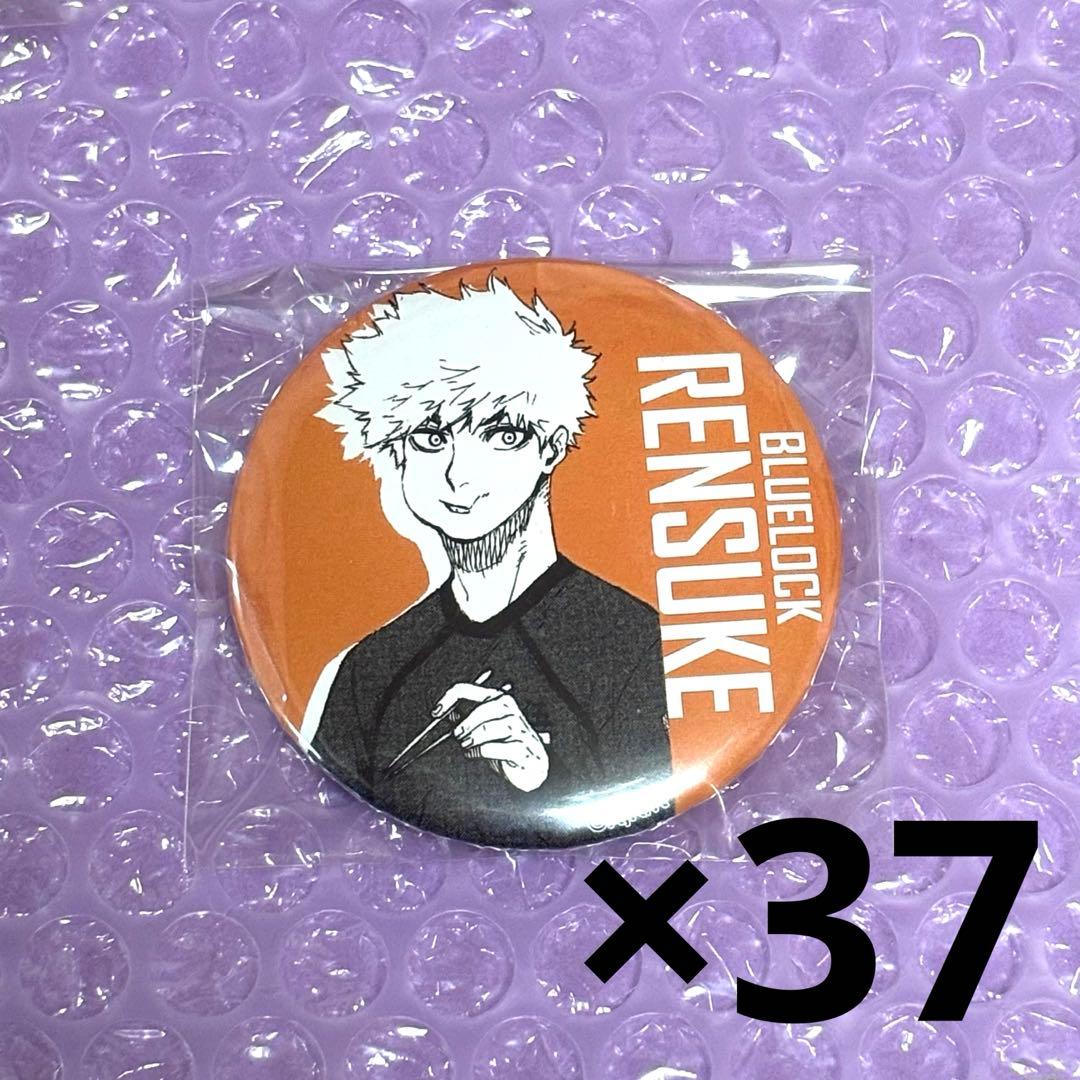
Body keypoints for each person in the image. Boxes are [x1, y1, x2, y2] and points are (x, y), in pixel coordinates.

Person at [300, 274, 672, 847]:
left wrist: (543, 776)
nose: (459, 473)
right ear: (394, 450)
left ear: (551, 447)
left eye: (501, 435)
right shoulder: (369, 671)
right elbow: (335, 831)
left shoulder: (637, 645)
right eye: (430, 438)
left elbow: (659, 831)